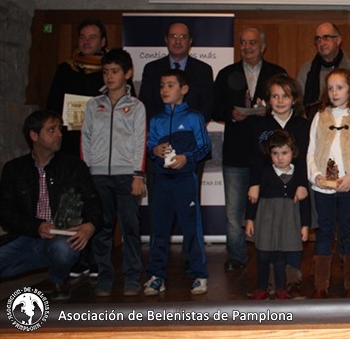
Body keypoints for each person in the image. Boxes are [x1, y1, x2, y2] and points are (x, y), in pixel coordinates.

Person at [0, 110, 102, 301]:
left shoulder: (74, 166)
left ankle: (58, 279)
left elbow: (94, 202)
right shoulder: (14, 169)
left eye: (59, 129)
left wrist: (90, 225)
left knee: (62, 250)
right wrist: (36, 226)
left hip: (63, 236)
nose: (59, 134)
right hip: (28, 235)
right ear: (34, 135)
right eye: (51, 130)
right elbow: (5, 212)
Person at [213, 27, 287, 273]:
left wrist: (271, 110)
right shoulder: (227, 73)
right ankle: (236, 256)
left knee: (269, 209)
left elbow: (289, 104)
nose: (247, 47)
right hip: (235, 153)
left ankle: (270, 254)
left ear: (263, 46)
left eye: (252, 42)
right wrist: (230, 114)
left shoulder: (276, 73)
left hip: (268, 154)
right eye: (243, 42)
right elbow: (214, 108)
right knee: (234, 212)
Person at [81, 48, 146, 296]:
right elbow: (86, 139)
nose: (109, 76)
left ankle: (132, 277)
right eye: (106, 71)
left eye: (115, 71)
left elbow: (140, 141)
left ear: (127, 74)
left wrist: (138, 174)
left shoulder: (136, 106)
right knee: (102, 227)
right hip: (98, 175)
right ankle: (104, 277)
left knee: (130, 227)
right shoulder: (93, 104)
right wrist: (88, 171)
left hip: (127, 175)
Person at [144, 69, 212, 295]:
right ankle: (156, 276)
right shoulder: (156, 119)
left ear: (184, 89)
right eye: (162, 85)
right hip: (161, 180)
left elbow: (204, 146)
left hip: (185, 180)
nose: (165, 90)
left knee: (191, 227)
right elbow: (150, 146)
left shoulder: (194, 117)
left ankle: (199, 274)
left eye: (170, 85)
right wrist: (155, 150)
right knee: (159, 228)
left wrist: (186, 158)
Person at [306, 69, 350, 298]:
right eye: (331, 88)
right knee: (324, 231)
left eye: (340, 87)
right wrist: (316, 175)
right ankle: (320, 285)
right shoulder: (320, 116)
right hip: (323, 187)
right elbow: (311, 151)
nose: (334, 93)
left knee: (349, 231)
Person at [248, 75, 311, 296]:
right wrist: (254, 183)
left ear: (294, 99)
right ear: (268, 100)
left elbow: (305, 158)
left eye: (285, 96)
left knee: (291, 234)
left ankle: (290, 280)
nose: (280, 100)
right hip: (268, 189)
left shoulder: (303, 125)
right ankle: (267, 283)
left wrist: (302, 184)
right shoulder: (260, 125)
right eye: (275, 96)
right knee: (268, 236)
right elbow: (256, 158)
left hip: (294, 187)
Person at [46, 18, 108, 158]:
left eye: (92, 37)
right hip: (70, 140)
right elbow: (53, 105)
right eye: (82, 37)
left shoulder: (113, 70)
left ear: (103, 41)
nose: (86, 41)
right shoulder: (65, 69)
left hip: (103, 142)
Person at [139, 22, 214, 122]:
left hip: (191, 129)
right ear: (166, 40)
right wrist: (163, 125)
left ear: (190, 41)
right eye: (173, 36)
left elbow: (207, 107)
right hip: (159, 129)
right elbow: (145, 104)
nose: (178, 41)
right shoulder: (151, 69)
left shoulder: (203, 70)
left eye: (183, 37)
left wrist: (187, 126)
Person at [297, 22, 350, 116]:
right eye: (318, 39)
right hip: (313, 121)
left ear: (338, 40)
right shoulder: (306, 70)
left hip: (348, 121)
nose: (321, 43)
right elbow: (298, 102)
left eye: (326, 37)